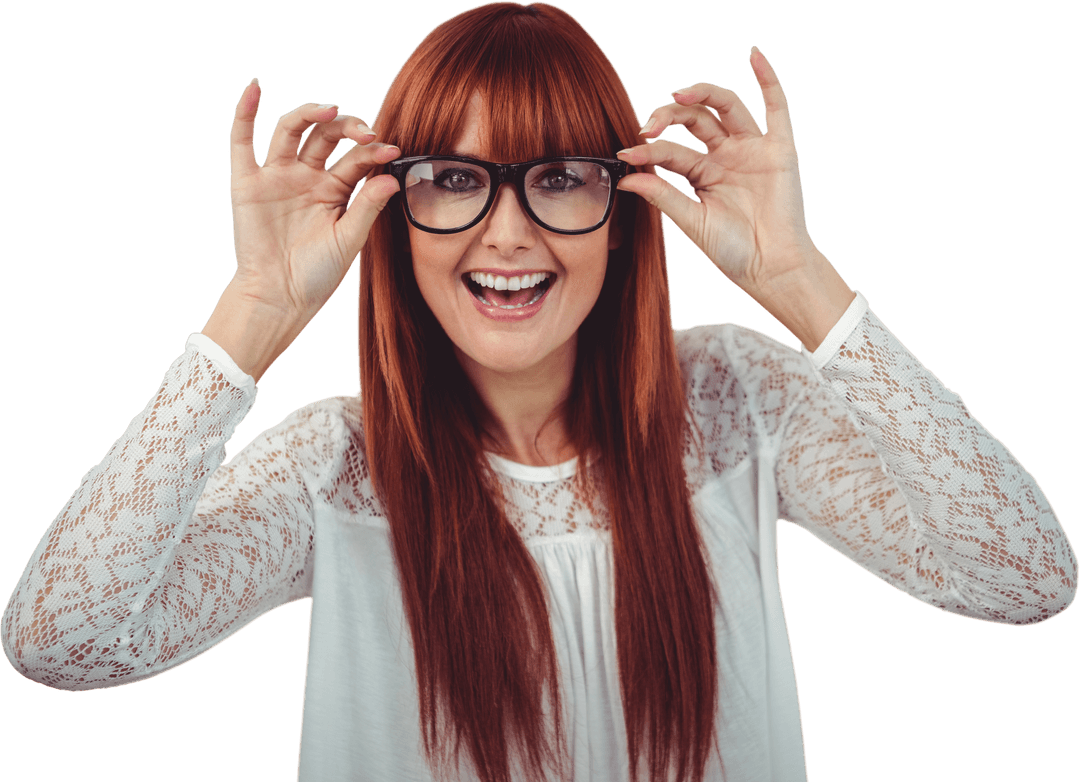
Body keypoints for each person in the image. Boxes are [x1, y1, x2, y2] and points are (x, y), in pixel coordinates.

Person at [1, 2, 1075, 782]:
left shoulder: (733, 404)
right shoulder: (338, 471)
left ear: (625, 211)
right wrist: (252, 317)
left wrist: (801, 282)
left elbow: (1026, 578)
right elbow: (58, 642)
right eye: (454, 180)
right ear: (392, 213)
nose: (507, 233)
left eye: (558, 177)